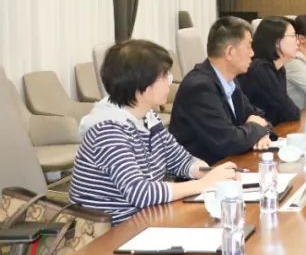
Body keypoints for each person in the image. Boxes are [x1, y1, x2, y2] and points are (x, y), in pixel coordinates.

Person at [70, 40, 238, 224]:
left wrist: (207, 172)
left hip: (146, 218)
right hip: (114, 229)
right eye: (164, 76)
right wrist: (202, 184)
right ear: (140, 86)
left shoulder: (147, 117)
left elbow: (178, 159)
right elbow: (141, 193)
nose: (169, 82)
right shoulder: (107, 131)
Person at [169, 16, 274, 165]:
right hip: (203, 172)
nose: (252, 53)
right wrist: (256, 128)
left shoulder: (229, 79)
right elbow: (228, 141)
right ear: (230, 52)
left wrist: (263, 133)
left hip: (228, 165)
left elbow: (259, 115)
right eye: (249, 46)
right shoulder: (199, 87)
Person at [237, 17, 303, 125]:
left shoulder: (279, 68)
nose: (298, 41)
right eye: (292, 36)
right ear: (276, 41)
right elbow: (290, 112)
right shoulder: (260, 69)